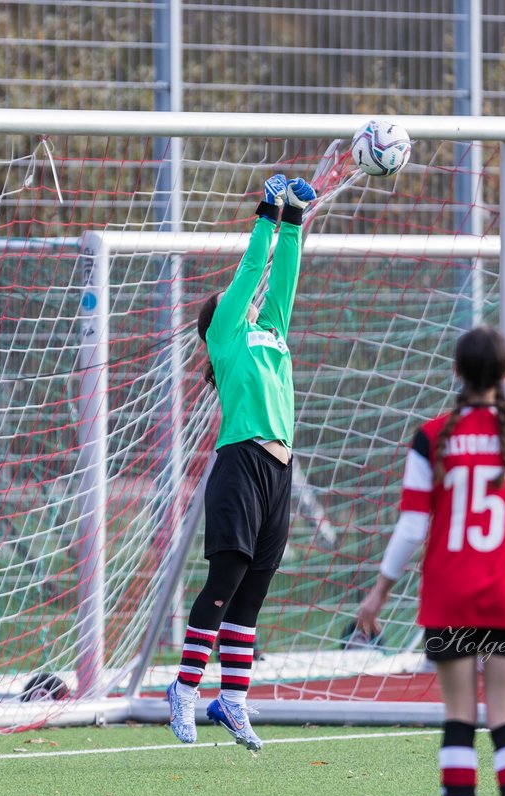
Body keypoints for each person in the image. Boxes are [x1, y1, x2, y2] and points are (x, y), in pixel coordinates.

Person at [355, 325, 505, 796]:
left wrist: (379, 591)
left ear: (455, 373)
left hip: (448, 596)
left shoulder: (432, 437)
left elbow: (410, 528)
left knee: (457, 719)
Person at [165, 172, 316, 752]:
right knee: (225, 581)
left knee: (253, 593)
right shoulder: (227, 336)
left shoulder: (272, 329)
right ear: (219, 320)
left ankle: (232, 699)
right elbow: (253, 270)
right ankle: (182, 688)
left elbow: (282, 280)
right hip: (240, 466)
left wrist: (296, 221)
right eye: (235, 303)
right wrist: (266, 213)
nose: (249, 301)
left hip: (279, 470)